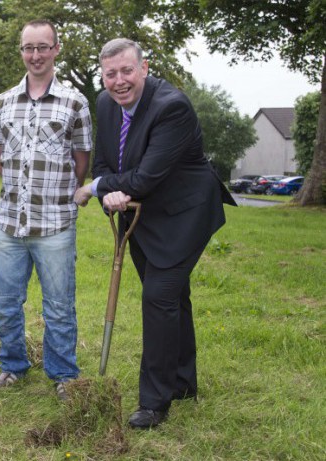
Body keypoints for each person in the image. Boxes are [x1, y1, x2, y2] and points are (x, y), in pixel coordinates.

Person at [74, 38, 237, 428]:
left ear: (144, 69)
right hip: (143, 216)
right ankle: (183, 382)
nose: (119, 81)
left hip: (185, 213)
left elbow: (145, 177)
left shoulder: (172, 107)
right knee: (174, 297)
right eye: (110, 73)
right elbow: (104, 161)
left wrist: (96, 188)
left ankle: (154, 401)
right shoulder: (104, 103)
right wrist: (109, 186)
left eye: (127, 71)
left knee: (159, 296)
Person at [0, 19, 92, 400]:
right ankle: (12, 366)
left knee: (59, 306)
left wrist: (55, 193)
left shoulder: (75, 103)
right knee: (6, 303)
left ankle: (63, 374)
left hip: (56, 223)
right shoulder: (2, 103)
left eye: (43, 47)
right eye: (29, 48)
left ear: (56, 49)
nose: (36, 55)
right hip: (8, 223)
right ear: (21, 52)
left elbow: (81, 162)